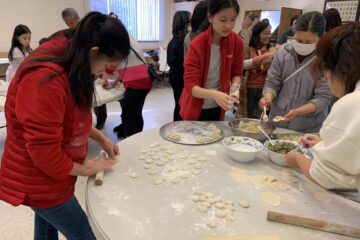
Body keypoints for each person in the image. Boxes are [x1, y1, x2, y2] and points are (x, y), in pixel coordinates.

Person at [0, 12, 130, 240]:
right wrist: (85, 168)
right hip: (39, 178)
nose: (103, 73)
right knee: (87, 235)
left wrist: (101, 138)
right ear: (94, 52)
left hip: (51, 174)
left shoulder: (72, 56)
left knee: (46, 226)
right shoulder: (45, 80)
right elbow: (44, 153)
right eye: (107, 66)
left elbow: (67, 119)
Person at [286, 22, 360, 191]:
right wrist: (325, 145)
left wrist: (296, 158)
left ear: (337, 69)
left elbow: (325, 178)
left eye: (326, 78)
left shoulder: (352, 104)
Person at [259, 11, 336, 133]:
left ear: (321, 38)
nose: (302, 45)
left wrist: (299, 111)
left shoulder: (326, 58)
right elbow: (272, 82)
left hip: (307, 127)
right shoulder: (284, 52)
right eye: (299, 40)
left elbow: (324, 97)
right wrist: (267, 98)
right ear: (294, 33)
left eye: (309, 42)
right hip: (277, 122)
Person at [179, 0, 244, 121]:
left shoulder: (236, 42)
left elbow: (236, 72)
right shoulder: (197, 44)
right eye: (223, 20)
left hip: (219, 106)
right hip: (195, 106)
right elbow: (190, 86)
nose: (228, 26)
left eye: (233, 20)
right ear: (210, 17)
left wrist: (235, 86)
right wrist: (215, 94)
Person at [105, 35, 152, 138]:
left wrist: (103, 80)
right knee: (136, 113)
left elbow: (111, 66)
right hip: (144, 81)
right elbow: (125, 66)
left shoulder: (118, 44)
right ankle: (136, 136)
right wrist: (114, 82)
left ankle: (134, 141)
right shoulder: (130, 40)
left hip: (136, 85)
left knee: (127, 116)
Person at [243, 21, 275, 118]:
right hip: (250, 87)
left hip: (266, 88)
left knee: (264, 115)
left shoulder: (272, 50)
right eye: (265, 33)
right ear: (257, 34)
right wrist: (261, 59)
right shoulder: (249, 49)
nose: (268, 36)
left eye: (269, 33)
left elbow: (276, 71)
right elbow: (242, 65)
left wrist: (270, 64)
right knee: (250, 115)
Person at [167, 11, 191, 121]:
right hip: (181, 77)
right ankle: (178, 127)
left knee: (178, 104)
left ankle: (175, 125)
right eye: (189, 20)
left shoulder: (172, 41)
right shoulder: (185, 40)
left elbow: (169, 61)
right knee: (182, 104)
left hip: (174, 76)